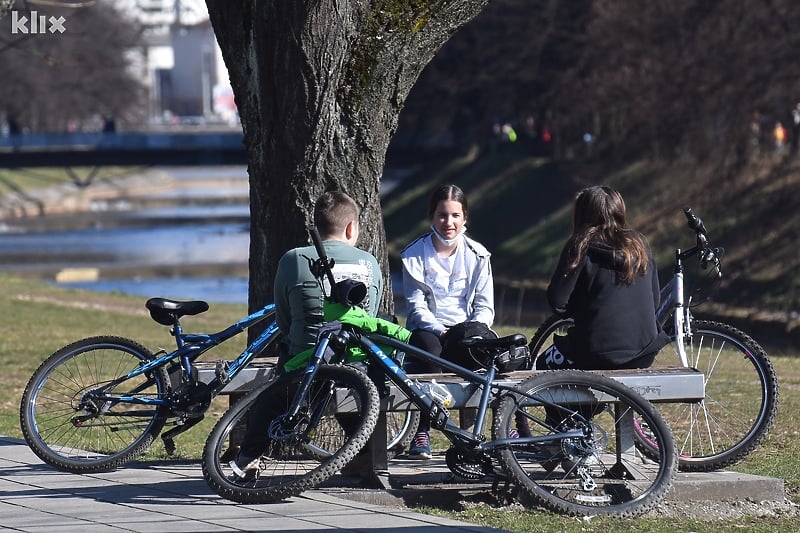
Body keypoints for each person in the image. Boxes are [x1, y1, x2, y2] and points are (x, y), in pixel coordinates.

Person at [230, 190, 384, 478]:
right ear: (351, 228)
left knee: (280, 383)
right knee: (351, 373)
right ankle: (363, 457)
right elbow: (370, 316)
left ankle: (249, 456)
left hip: (304, 359)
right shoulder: (369, 263)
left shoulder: (293, 259)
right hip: (353, 363)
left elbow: (284, 317)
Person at [399, 184, 494, 459]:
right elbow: (415, 307)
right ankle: (423, 430)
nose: (448, 222)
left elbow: (485, 306)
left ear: (465, 218)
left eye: (455, 215)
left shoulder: (479, 255)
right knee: (431, 353)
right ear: (432, 216)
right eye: (442, 215)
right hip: (430, 329)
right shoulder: (414, 255)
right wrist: (442, 331)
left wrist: (473, 329)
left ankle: (469, 434)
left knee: (480, 354)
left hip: (467, 328)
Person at [539, 185, 669, 373]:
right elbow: (655, 300)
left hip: (595, 352)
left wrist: (579, 307)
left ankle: (587, 404)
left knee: (543, 365)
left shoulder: (580, 246)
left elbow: (557, 302)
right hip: (644, 352)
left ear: (581, 214)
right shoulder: (640, 248)